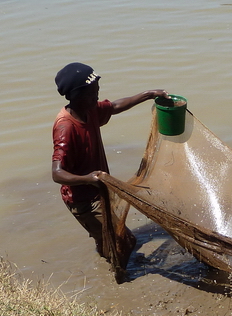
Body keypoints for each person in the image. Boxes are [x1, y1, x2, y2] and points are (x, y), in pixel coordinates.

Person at [51, 62, 168, 262]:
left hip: (98, 189)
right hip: (83, 200)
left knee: (107, 237)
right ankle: (119, 278)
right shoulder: (66, 128)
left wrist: (148, 94)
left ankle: (105, 257)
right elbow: (57, 173)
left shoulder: (89, 110)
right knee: (125, 241)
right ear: (76, 95)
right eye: (92, 92)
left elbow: (113, 106)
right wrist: (88, 179)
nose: (97, 96)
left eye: (97, 91)